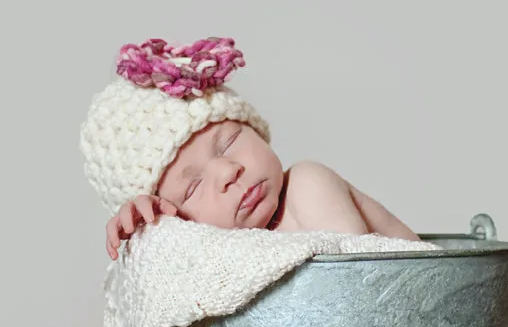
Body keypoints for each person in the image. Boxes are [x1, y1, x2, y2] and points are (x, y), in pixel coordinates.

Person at [79, 37, 422, 260]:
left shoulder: (306, 185)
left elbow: (355, 286)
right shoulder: (228, 251)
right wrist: (155, 234)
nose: (228, 172)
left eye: (228, 143)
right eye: (193, 186)